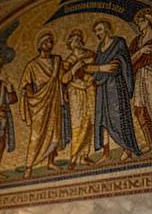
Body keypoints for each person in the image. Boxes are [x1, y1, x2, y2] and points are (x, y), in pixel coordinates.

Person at [84, 20, 141, 162]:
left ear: (108, 29)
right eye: (96, 31)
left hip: (115, 85)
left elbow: (122, 61)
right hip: (102, 88)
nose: (98, 33)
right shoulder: (100, 48)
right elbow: (96, 67)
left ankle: (127, 149)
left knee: (118, 116)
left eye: (100, 29)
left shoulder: (118, 42)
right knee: (102, 118)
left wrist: (106, 66)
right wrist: (99, 70)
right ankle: (106, 153)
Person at [19, 31, 70, 178]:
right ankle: (29, 166)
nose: (51, 44)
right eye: (48, 42)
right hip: (39, 103)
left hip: (54, 100)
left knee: (54, 131)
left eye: (51, 42)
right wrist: (33, 98)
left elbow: (62, 79)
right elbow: (27, 84)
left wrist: (74, 69)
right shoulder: (32, 65)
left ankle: (50, 161)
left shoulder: (57, 61)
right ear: (41, 45)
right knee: (37, 135)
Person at [61, 29, 96, 168]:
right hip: (75, 92)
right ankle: (74, 158)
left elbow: (96, 69)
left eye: (78, 38)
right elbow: (64, 79)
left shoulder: (91, 54)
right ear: (70, 43)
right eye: (73, 40)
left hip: (90, 90)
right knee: (78, 124)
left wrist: (91, 77)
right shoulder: (68, 60)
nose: (77, 42)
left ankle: (84, 156)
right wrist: (75, 68)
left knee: (89, 122)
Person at [130, 7, 152, 153]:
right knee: (139, 110)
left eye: (141, 20)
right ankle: (149, 142)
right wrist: (141, 51)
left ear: (149, 20)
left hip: (151, 73)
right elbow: (129, 60)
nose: (139, 24)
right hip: (139, 76)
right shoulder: (136, 41)